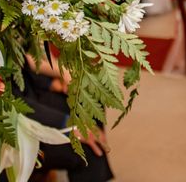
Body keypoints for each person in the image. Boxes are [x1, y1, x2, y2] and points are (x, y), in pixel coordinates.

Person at [17, 54, 115, 182]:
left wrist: (49, 83)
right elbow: (11, 103)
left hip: (29, 91)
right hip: (15, 121)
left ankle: (98, 150)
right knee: (86, 151)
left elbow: (22, 62)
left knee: (88, 95)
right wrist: (69, 125)